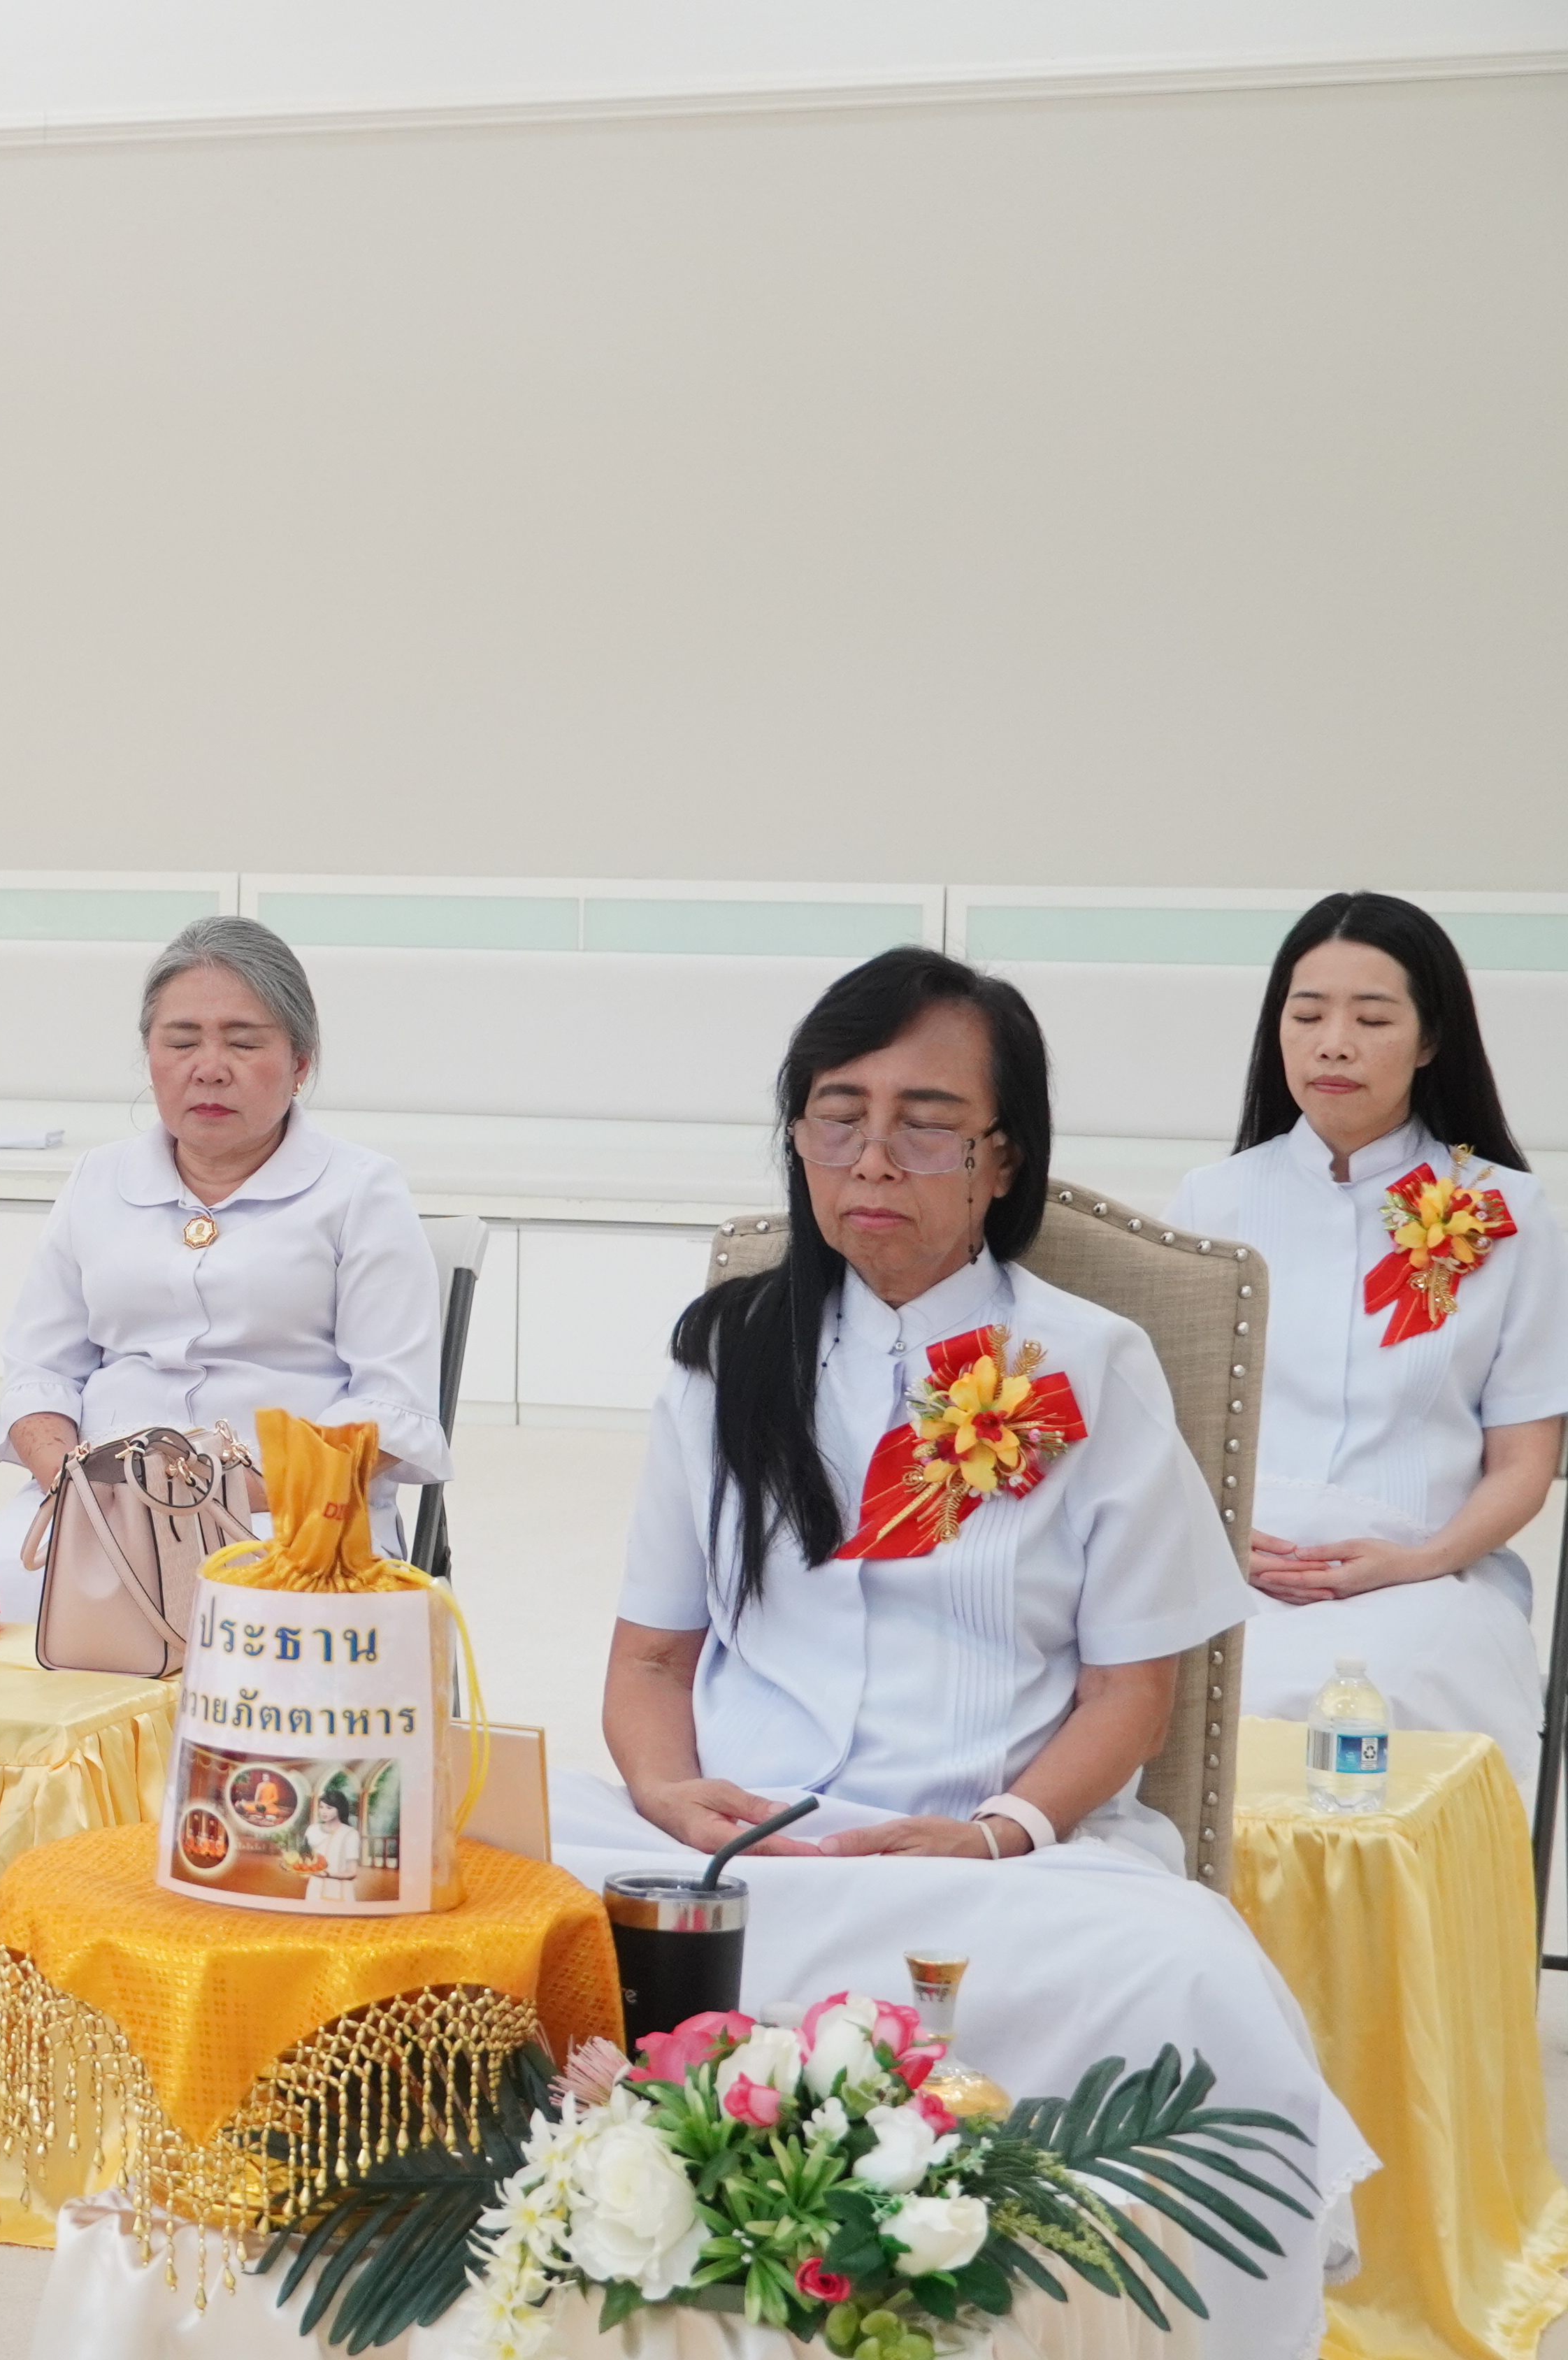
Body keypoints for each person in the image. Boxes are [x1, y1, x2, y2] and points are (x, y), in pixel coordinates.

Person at [561, 947, 1370, 2359]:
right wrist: (670, 1794)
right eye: (838, 1110)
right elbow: (646, 1663)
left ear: (1003, 1157)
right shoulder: (725, 1355)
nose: (875, 1153)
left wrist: (995, 1831)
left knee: (1196, 1976)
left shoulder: (1093, 1362)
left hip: (1003, 1882)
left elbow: (1133, 1689)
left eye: (928, 1120)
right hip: (744, 1864)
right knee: (461, 1884)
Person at [1166, 892, 1562, 1787]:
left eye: (1371, 1016)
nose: (1332, 1041)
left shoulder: (1508, 1212)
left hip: (1427, 1578)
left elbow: (1524, 1461)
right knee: (1167, 1679)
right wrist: (1223, 1542)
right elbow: (1168, 1435)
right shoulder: (1212, 1202)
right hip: (1240, 1568)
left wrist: (1416, 1561)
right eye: (1306, 1015)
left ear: (1430, 1040)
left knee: (1347, 1695)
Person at [0, 916, 445, 1620]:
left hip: (290, 1514)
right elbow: (39, 1372)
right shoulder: (98, 1180)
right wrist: (75, 1482)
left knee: (237, 1613)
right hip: (99, 1508)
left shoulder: (361, 1192)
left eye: (244, 1042)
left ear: (301, 1061)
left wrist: (220, 1494)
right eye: (181, 1041)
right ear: (150, 1055)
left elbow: (389, 1406)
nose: (209, 1067)